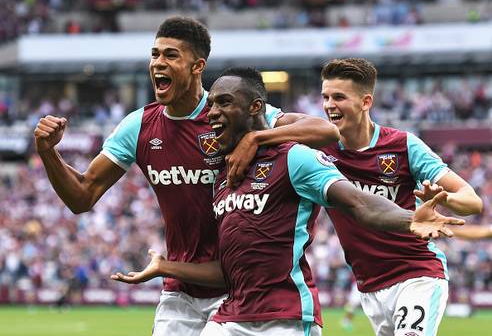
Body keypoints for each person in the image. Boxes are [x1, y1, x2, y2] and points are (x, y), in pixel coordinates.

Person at [33, 17, 340, 336]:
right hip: (181, 290)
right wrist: (47, 152)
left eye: (170, 55)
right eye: (154, 55)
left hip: (237, 288)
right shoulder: (138, 127)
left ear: (197, 66)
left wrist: (255, 138)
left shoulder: (229, 113)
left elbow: (325, 131)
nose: (158, 63)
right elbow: (82, 195)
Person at [111, 67, 464, 336]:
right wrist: (165, 266)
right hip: (232, 316)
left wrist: (409, 219)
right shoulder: (224, 177)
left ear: (255, 107)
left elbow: (359, 203)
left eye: (224, 103)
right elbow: (229, 270)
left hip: (286, 318)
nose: (212, 113)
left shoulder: (293, 157)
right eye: (212, 104)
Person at [319, 58, 483, 336]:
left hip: (416, 273)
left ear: (365, 102)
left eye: (339, 97)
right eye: (325, 97)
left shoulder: (402, 145)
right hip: (369, 287)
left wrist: (443, 197)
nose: (329, 105)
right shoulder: (318, 152)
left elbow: (473, 201)